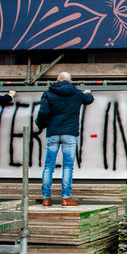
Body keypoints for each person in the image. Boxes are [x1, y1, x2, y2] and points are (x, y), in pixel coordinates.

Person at [35, 72, 94, 207]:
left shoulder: (48, 93)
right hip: (70, 134)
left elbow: (43, 112)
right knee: (67, 166)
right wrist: (88, 92)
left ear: (57, 79)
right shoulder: (77, 93)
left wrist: (42, 124)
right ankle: (66, 198)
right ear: (71, 81)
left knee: (49, 166)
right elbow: (89, 100)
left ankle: (46, 199)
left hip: (53, 133)